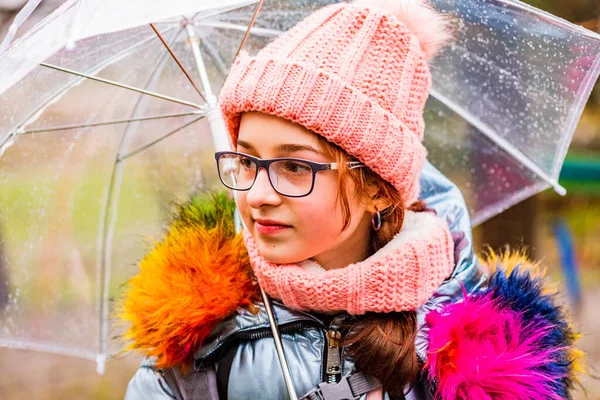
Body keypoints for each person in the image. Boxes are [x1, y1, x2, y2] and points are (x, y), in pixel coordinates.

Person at [121, 1, 582, 399]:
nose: (258, 195)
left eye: (295, 167)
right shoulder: (197, 346)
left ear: (376, 188)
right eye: (246, 161)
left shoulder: (487, 359)